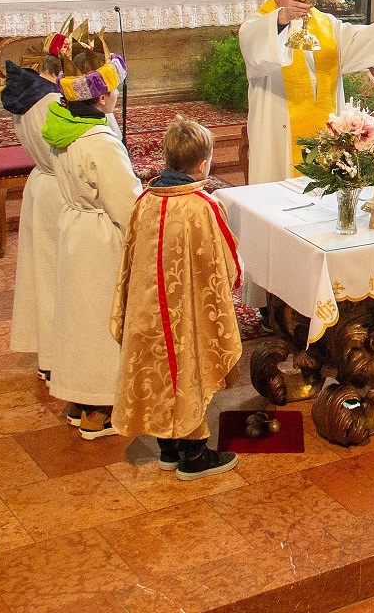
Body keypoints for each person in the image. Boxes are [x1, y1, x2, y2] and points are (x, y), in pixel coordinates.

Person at [112, 116, 243, 481]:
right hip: (188, 313)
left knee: (158, 370)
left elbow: (130, 258)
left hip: (148, 311)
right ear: (203, 165)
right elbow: (224, 264)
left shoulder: (144, 202)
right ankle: (194, 455)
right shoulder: (202, 206)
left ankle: (167, 448)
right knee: (188, 368)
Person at [239, 0, 374, 184]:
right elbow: (254, 50)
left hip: (324, 122)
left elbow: (356, 42)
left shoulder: (325, 24)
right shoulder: (261, 23)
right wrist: (283, 18)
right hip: (280, 124)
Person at [43, 53, 143, 439]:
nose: (117, 95)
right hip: (102, 239)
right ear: (101, 98)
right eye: (114, 90)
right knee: (103, 320)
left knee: (78, 319)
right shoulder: (100, 143)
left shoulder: (64, 126)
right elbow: (126, 204)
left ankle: (78, 399)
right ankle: (100, 408)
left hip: (76, 228)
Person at [2, 34, 67, 382]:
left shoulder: (27, 94)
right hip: (61, 191)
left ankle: (48, 357)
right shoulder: (54, 102)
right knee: (60, 279)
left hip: (41, 185)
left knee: (42, 277)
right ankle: (59, 359)